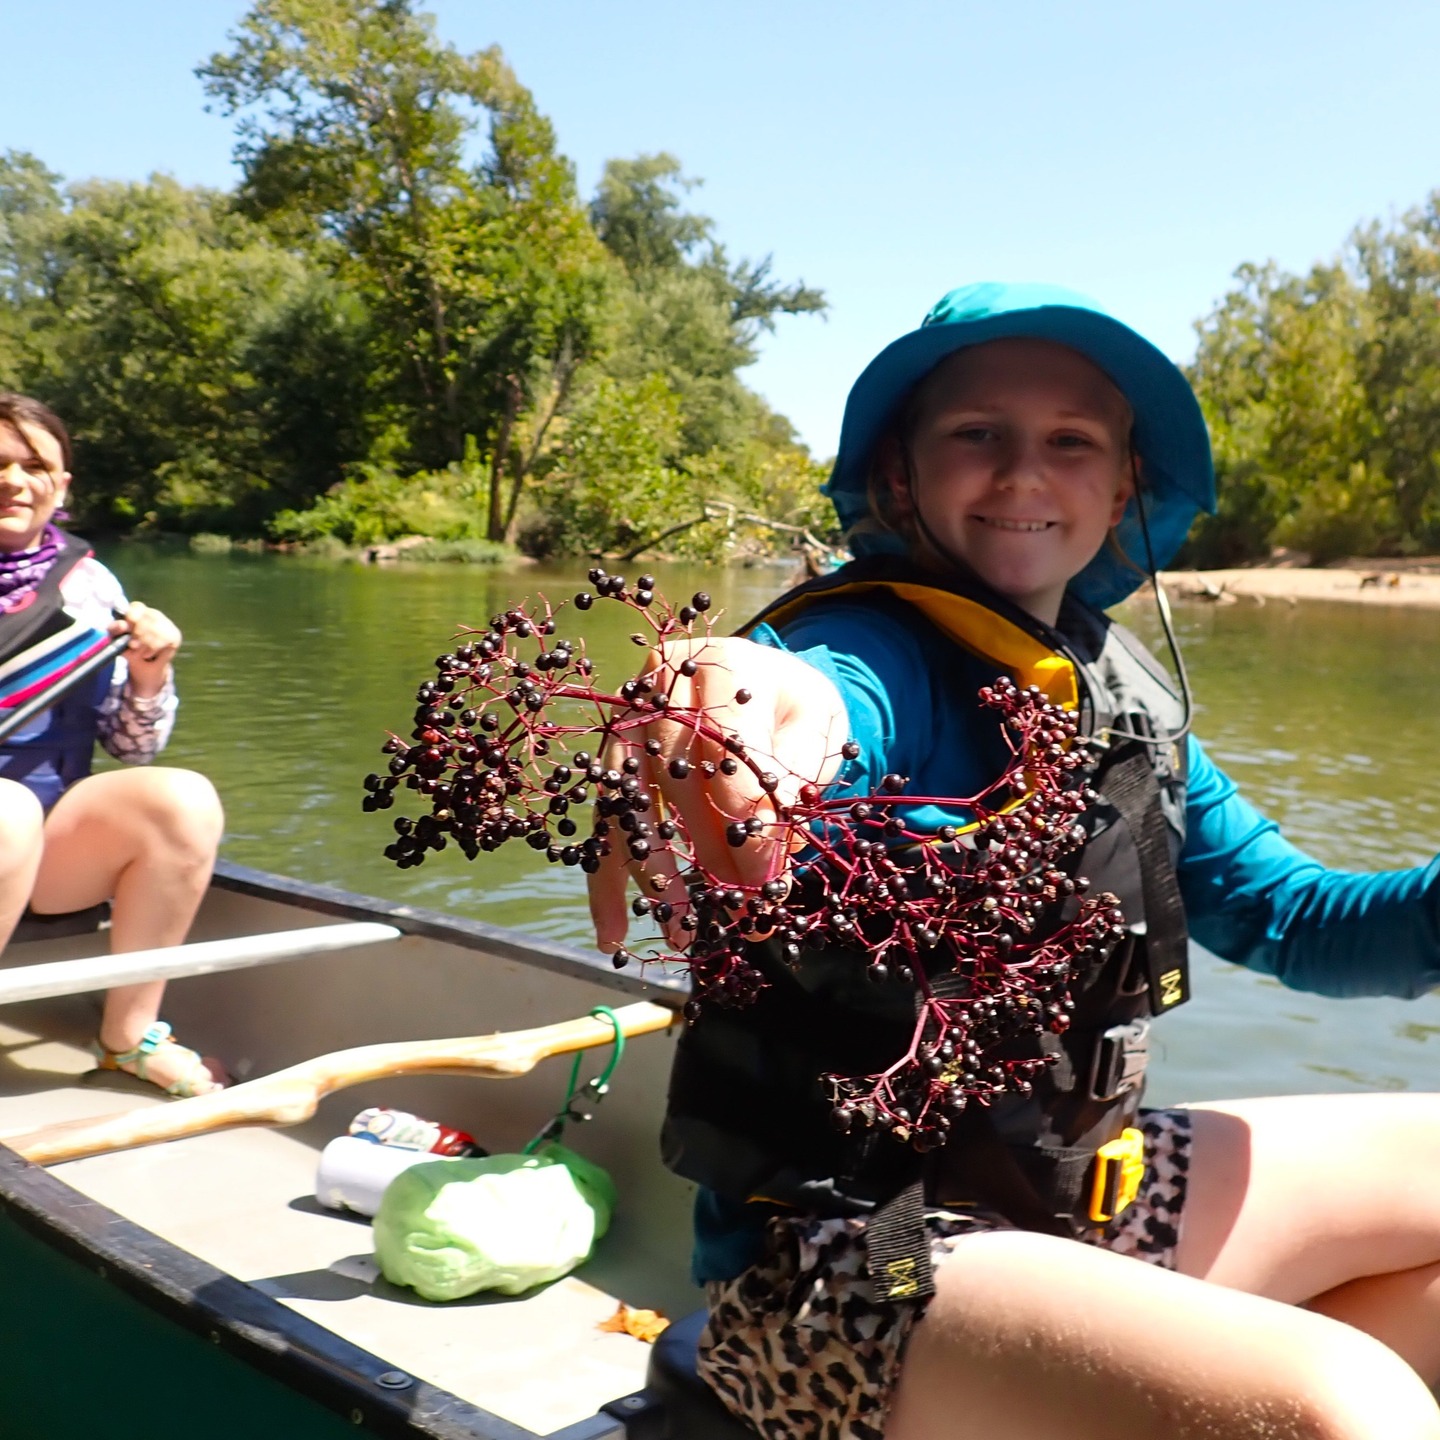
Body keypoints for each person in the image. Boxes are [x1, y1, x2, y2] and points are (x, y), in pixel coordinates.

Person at [588, 286, 1440, 1439]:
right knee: (1348, 1407)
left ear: (1125, 484)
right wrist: (730, 694)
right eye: (977, 433)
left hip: (1074, 1197)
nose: (1025, 474)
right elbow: (813, 701)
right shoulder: (864, 650)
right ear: (902, 474)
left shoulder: (1122, 701)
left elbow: (1301, 920)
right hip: (848, 1254)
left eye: (1072, 441)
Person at [0, 393, 224, 1097]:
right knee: (5, 812)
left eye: (34, 464)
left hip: (39, 846)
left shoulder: (92, 587)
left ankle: (126, 1038)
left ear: (60, 484)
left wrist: (151, 673)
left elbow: (133, 748)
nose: (13, 480)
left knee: (182, 801)